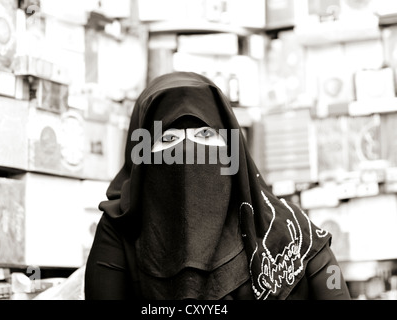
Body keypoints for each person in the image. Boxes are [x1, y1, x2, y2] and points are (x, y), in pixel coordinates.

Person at [84, 71, 351, 300]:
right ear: (141, 154)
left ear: (232, 147)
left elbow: (334, 287)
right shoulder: (119, 232)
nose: (188, 151)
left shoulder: (294, 232)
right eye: (168, 138)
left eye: (204, 134)